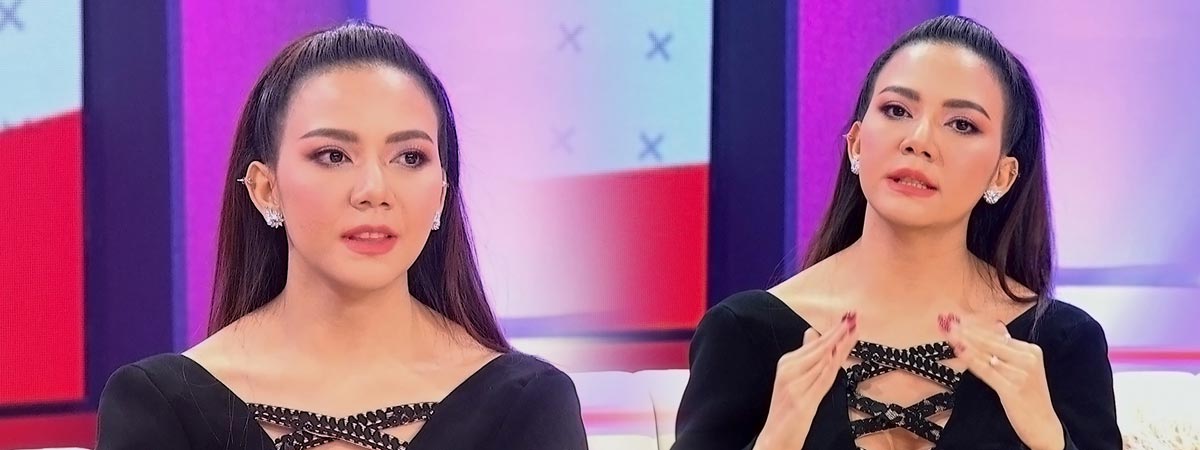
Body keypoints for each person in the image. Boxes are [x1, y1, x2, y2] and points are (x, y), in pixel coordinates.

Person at [97, 21, 588, 450]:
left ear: (441, 194)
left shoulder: (526, 403)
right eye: (333, 156)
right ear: (265, 188)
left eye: (409, 158)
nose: (374, 191)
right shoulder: (162, 404)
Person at [673, 15, 1120, 450]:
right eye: (896, 110)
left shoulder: (1059, 343)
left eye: (962, 124)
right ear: (856, 143)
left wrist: (1049, 440)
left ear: (1002, 176)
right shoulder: (746, 333)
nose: (919, 140)